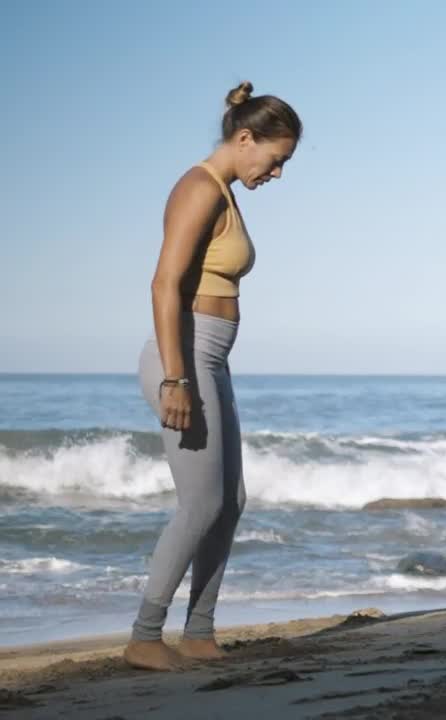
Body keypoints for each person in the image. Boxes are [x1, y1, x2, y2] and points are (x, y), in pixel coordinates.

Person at [124, 81, 301, 671]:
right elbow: (163, 284)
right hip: (185, 357)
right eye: (275, 160)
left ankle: (199, 633)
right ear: (245, 138)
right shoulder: (198, 187)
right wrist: (176, 380)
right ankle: (145, 637)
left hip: (211, 358)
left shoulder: (224, 190)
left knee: (230, 500)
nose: (276, 174)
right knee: (200, 504)